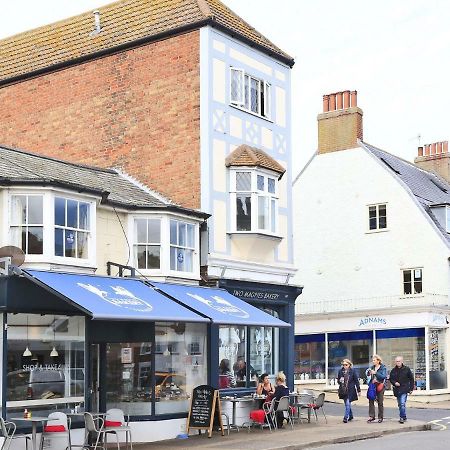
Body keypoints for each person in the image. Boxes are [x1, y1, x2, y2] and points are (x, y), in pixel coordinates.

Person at [389, 356, 414, 424]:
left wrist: (411, 388)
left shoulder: (407, 369)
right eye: (397, 361)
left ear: (402, 361)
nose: (398, 362)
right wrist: (394, 383)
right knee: (400, 404)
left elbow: (411, 379)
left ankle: (402, 417)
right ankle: (404, 416)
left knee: (402, 403)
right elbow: (391, 379)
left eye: (399, 361)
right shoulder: (393, 370)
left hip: (404, 389)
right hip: (397, 390)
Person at [337, 359, 360, 423]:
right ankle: (351, 416)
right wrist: (340, 380)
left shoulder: (352, 371)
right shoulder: (340, 371)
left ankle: (345, 417)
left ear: (349, 365)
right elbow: (338, 380)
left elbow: (356, 381)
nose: (344, 366)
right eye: (343, 365)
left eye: (346, 365)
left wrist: (359, 390)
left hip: (350, 390)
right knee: (346, 404)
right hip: (343, 390)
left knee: (347, 403)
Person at [367, 354, 387, 423]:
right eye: (372, 360)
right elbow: (369, 375)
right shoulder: (372, 367)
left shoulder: (383, 368)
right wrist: (369, 373)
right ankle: (371, 416)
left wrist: (375, 373)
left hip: (380, 385)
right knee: (371, 399)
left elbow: (383, 376)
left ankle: (380, 417)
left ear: (378, 361)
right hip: (373, 385)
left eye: (374, 360)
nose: (373, 361)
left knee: (380, 401)